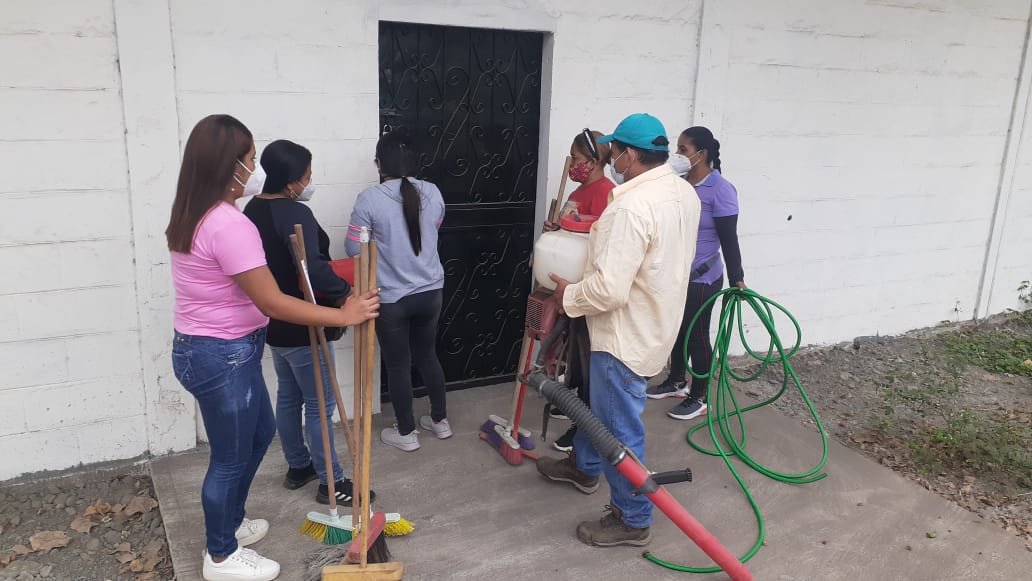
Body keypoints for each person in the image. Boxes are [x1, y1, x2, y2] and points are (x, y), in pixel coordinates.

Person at [167, 115, 379, 581]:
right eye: (248, 158)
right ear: (231, 166)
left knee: (260, 433)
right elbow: (271, 301)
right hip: (220, 354)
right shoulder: (227, 224)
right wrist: (344, 314)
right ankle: (220, 555)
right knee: (229, 458)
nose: (254, 167)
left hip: (218, 349)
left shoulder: (196, 212)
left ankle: (231, 521)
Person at [536, 114, 700, 547]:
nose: (613, 159)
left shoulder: (629, 207)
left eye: (616, 152)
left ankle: (633, 517)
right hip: (654, 322)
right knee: (600, 409)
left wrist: (568, 295)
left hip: (623, 335)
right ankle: (585, 468)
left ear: (629, 155)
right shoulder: (682, 192)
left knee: (619, 429)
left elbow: (608, 289)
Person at [242, 139, 375, 507]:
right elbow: (313, 270)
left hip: (275, 320)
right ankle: (331, 481)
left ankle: (298, 465)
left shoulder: (253, 209)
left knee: (288, 395)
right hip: (305, 322)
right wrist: (346, 293)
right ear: (291, 182)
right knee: (319, 404)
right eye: (307, 177)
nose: (309, 182)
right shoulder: (293, 213)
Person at [346, 132, 449, 452]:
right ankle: (440, 421)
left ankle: (406, 433)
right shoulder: (433, 191)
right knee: (428, 355)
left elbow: (353, 248)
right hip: (431, 291)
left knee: (398, 365)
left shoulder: (370, 199)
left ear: (379, 164)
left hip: (392, 297)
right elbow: (435, 227)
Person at [646, 126, 746, 421]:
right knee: (677, 328)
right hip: (677, 275)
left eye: (683, 150)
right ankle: (676, 381)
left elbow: (729, 239)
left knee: (697, 334)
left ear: (701, 154)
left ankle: (699, 396)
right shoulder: (679, 183)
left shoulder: (720, 190)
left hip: (703, 276)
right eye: (676, 148)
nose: (677, 155)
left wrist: (737, 278)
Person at [543, 129, 615, 452]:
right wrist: (556, 230)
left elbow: (601, 244)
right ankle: (573, 406)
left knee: (588, 365)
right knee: (572, 356)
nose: (572, 164)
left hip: (586, 292)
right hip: (567, 290)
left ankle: (583, 429)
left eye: (577, 158)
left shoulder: (607, 194)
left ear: (595, 160)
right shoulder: (578, 189)